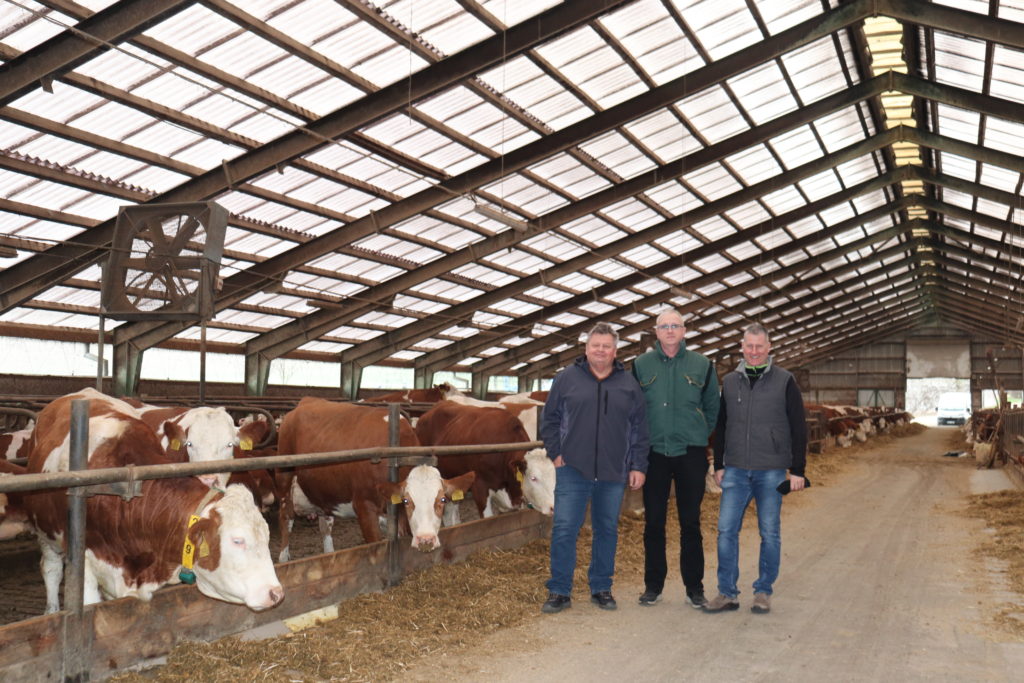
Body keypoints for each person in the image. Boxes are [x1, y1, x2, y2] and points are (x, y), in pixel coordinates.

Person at [540, 322, 649, 613]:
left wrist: (638, 464)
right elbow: (549, 419)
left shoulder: (628, 384)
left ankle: (601, 587)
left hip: (613, 470)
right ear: (586, 349)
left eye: (606, 346)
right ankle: (559, 590)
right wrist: (556, 454)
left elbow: (640, 427)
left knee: (607, 529)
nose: (600, 350)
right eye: (595, 345)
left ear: (615, 351)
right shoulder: (566, 379)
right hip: (573, 467)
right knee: (564, 528)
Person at [705, 322, 807, 615]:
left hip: (772, 469)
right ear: (742, 347)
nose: (753, 352)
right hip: (735, 469)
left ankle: (763, 591)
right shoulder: (731, 381)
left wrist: (797, 469)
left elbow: (798, 426)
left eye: (759, 346)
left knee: (770, 532)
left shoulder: (785, 380)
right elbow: (722, 425)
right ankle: (727, 593)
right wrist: (720, 463)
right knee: (725, 530)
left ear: (769, 348)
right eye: (748, 346)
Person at [632, 309, 719, 608]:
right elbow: (633, 409)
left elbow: (712, 409)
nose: (670, 331)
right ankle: (652, 585)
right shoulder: (640, 365)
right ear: (655, 332)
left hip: (690, 453)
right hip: (654, 453)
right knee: (653, 522)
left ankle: (694, 587)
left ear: (684, 331)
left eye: (675, 326)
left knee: (690, 522)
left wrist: (696, 433)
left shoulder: (703, 365)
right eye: (664, 326)